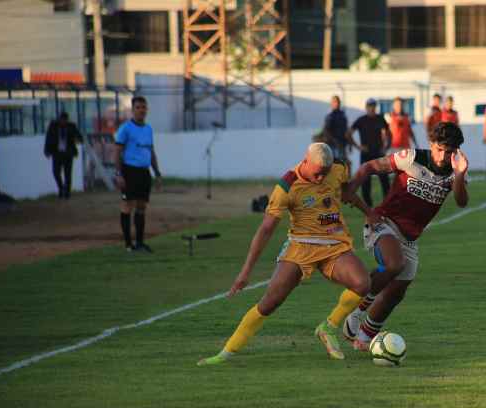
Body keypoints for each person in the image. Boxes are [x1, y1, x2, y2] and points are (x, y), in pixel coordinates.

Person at [198, 143, 373, 366]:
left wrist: (369, 212)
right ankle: (224, 354)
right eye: (317, 173)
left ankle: (328, 328)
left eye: (325, 174)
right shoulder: (287, 186)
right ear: (305, 161)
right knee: (270, 302)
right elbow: (266, 229)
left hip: (334, 244)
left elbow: (347, 192)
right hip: (300, 247)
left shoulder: (338, 168)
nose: (321, 178)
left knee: (362, 283)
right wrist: (245, 272)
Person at [342, 122, 469, 350]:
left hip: (409, 237)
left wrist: (459, 174)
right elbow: (370, 167)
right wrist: (351, 189)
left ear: (456, 150)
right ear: (431, 143)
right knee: (394, 265)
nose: (443, 156)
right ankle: (357, 311)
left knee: (397, 291)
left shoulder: (455, 169)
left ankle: (364, 337)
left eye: (449, 151)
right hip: (384, 222)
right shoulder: (411, 157)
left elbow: (462, 202)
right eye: (439, 149)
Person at [114, 96, 162, 252]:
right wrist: (118, 174)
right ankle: (128, 245)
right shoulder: (125, 129)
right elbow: (117, 152)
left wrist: (157, 173)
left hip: (144, 172)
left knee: (141, 206)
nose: (142, 110)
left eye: (144, 107)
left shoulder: (148, 129)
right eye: (138, 107)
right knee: (127, 206)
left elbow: (151, 151)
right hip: (129, 171)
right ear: (132, 109)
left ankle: (140, 243)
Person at [347, 98, 391, 207]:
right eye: (370, 106)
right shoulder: (361, 120)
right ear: (366, 107)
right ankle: (369, 208)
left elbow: (388, 134)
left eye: (373, 106)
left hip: (379, 154)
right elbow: (348, 134)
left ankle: (387, 206)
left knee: (385, 181)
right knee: (365, 183)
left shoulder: (380, 118)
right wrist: (358, 147)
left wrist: (386, 147)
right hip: (366, 155)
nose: (372, 108)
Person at [44, 112, 83, 199]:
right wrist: (47, 151)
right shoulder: (53, 126)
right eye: (61, 120)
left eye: (65, 120)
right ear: (59, 119)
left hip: (68, 153)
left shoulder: (71, 126)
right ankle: (61, 188)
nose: (63, 122)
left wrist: (79, 140)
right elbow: (48, 138)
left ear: (67, 120)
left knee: (68, 174)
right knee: (56, 172)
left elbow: (79, 136)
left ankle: (67, 193)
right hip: (57, 153)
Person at [322, 95, 348, 161]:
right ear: (331, 104)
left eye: (338, 102)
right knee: (334, 163)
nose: (337, 104)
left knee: (343, 163)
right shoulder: (330, 116)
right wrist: (334, 141)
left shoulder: (343, 115)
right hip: (332, 146)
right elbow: (326, 131)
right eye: (334, 102)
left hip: (342, 145)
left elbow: (346, 130)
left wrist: (349, 143)